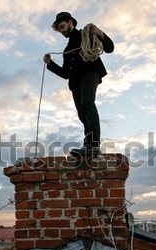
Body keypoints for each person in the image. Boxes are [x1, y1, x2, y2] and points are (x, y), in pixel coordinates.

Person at [43, 12, 114, 156]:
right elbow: (65, 74)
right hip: (75, 82)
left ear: (71, 22)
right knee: (82, 112)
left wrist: (99, 33)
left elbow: (110, 48)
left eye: (62, 26)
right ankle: (88, 144)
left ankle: (94, 144)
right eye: (59, 29)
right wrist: (50, 64)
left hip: (90, 73)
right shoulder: (67, 51)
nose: (62, 31)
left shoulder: (87, 34)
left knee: (87, 103)